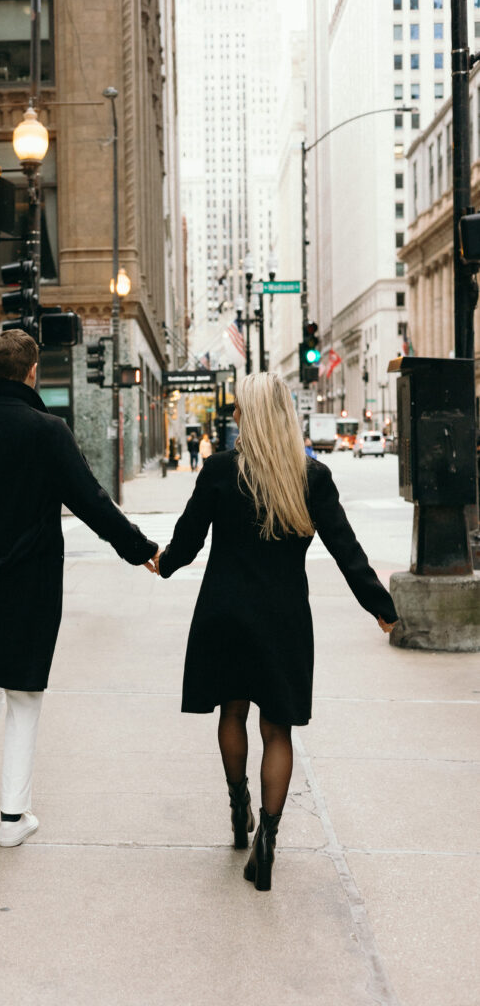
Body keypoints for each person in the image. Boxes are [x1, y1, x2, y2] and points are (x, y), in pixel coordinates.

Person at [152, 373, 397, 891]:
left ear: (253, 416)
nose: (234, 417)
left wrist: (163, 563)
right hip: (283, 617)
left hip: (224, 613)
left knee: (232, 711)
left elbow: (188, 541)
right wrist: (382, 607)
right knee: (277, 729)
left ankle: (238, 803)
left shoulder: (220, 471)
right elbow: (347, 551)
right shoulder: (311, 477)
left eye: (239, 409)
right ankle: (268, 838)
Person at [0, 330, 158, 848]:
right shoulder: (49, 432)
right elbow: (91, 502)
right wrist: (141, 550)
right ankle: (12, 818)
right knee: (24, 693)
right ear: (32, 374)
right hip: (29, 583)